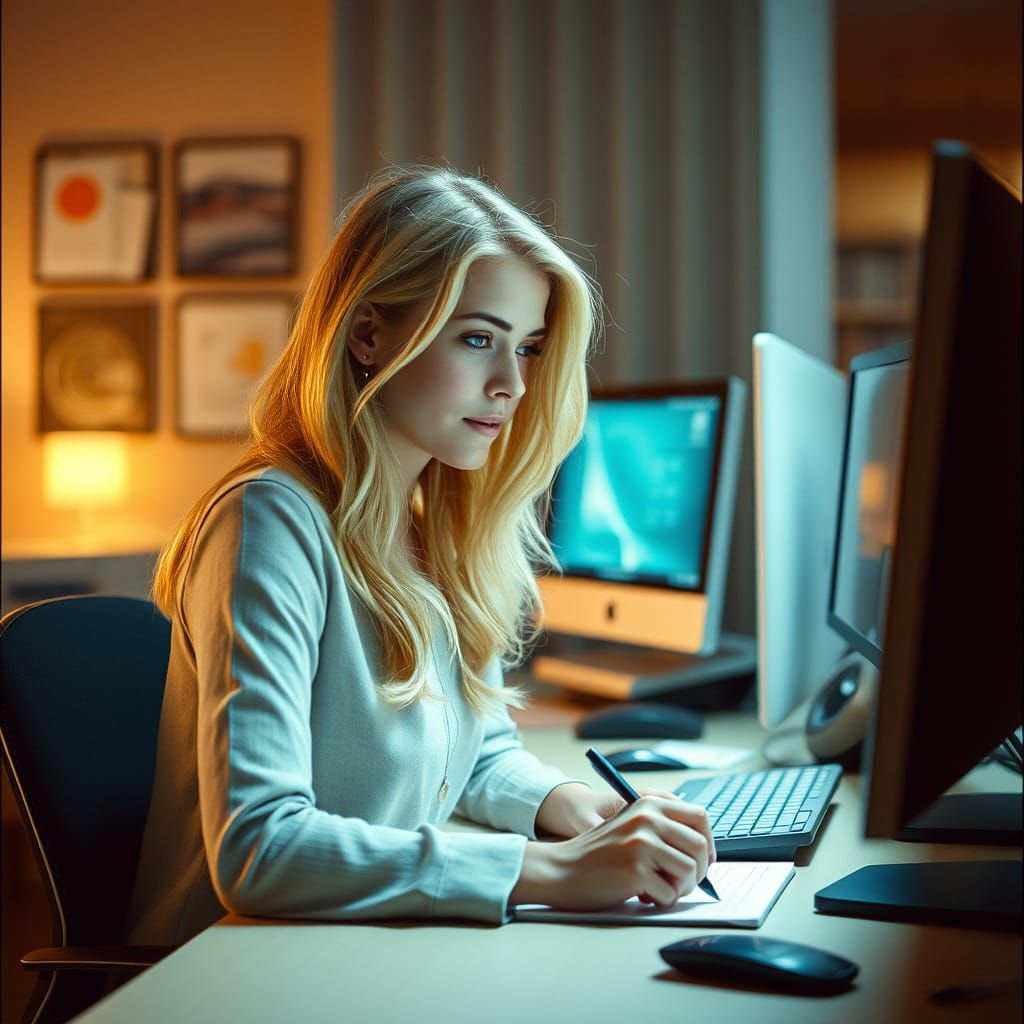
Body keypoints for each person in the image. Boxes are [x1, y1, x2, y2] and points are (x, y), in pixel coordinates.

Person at [126, 165, 714, 946]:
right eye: (478, 339)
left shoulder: (428, 524)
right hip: (232, 976)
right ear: (368, 333)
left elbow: (469, 754)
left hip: (355, 954)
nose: (511, 384)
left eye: (528, 349)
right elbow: (259, 847)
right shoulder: (269, 520)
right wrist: (552, 872)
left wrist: (570, 806)